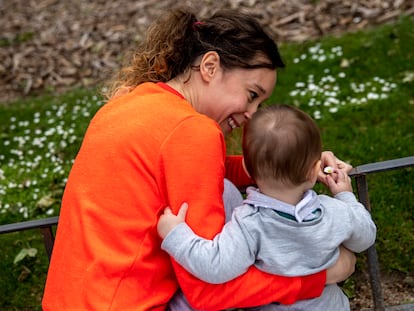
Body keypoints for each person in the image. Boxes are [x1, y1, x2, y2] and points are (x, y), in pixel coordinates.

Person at [42, 8, 356, 311]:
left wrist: (295, 164)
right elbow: (209, 291)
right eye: (251, 95)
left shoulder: (126, 104)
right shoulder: (193, 132)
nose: (251, 115)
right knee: (229, 196)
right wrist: (320, 277)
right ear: (209, 67)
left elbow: (202, 170)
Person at [158, 104, 377, 311]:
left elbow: (217, 266)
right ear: (314, 171)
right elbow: (365, 237)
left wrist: (176, 235)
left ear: (250, 173)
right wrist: (345, 196)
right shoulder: (334, 212)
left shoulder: (249, 223)